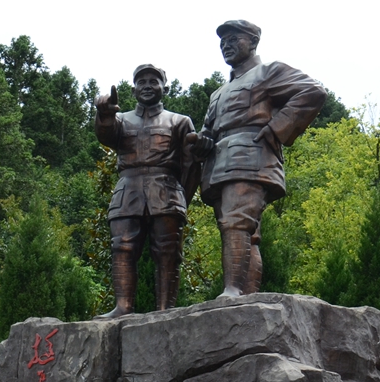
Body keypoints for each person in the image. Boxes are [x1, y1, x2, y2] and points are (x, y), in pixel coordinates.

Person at [190, 20, 327, 297]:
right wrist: (202, 141)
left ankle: (232, 290)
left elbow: (313, 91)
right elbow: (209, 129)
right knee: (244, 232)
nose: (226, 45)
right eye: (223, 41)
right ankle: (246, 297)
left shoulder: (268, 72)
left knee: (236, 222)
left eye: (234, 39)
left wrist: (277, 128)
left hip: (250, 156)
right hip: (219, 163)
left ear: (253, 42)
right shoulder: (218, 93)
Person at [94, 64, 200, 318]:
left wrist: (181, 197)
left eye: (154, 81)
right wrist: (104, 114)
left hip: (166, 190)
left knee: (168, 250)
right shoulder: (121, 121)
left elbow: (192, 164)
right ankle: (123, 307)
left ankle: (165, 309)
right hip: (128, 189)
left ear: (165, 88)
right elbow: (106, 136)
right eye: (141, 82)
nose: (147, 86)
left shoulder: (179, 121)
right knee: (122, 246)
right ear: (133, 90)